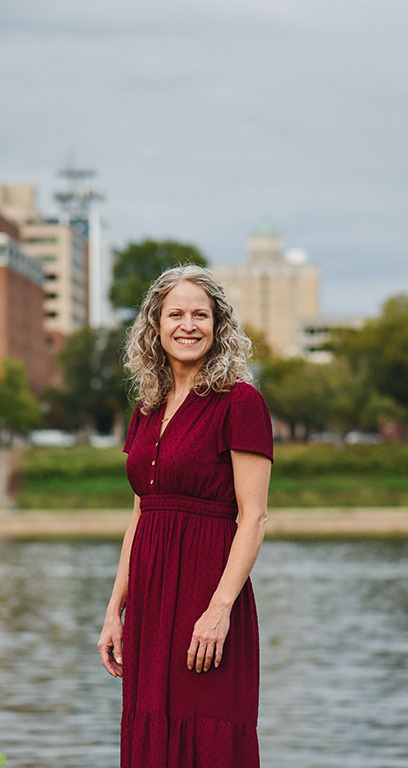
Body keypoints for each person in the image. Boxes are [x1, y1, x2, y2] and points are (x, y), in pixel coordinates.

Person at [98, 264, 273, 767]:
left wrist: (219, 612)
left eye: (201, 314)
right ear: (155, 327)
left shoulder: (240, 401)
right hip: (152, 602)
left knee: (208, 734)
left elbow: (254, 517)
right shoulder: (147, 407)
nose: (188, 325)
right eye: (175, 314)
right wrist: (115, 611)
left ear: (219, 326)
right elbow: (140, 513)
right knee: (152, 734)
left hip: (208, 597)